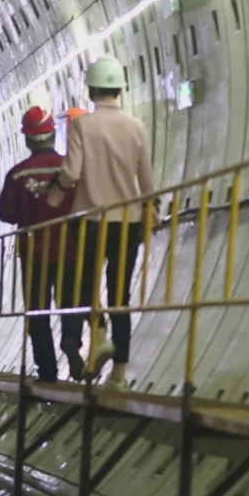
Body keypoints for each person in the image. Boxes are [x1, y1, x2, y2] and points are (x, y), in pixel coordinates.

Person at [47, 56, 155, 390]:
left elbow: (71, 173)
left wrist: (54, 196)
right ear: (120, 89)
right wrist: (151, 208)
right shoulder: (136, 127)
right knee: (120, 294)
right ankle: (119, 375)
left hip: (91, 221)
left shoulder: (83, 126)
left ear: (91, 90)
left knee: (84, 288)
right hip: (128, 222)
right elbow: (146, 180)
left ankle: (98, 336)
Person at [0, 106, 80, 383]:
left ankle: (47, 371)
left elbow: (5, 212)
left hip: (34, 253)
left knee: (37, 310)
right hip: (70, 249)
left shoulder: (18, 174)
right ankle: (71, 338)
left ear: (27, 139)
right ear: (53, 134)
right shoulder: (69, 168)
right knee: (71, 301)